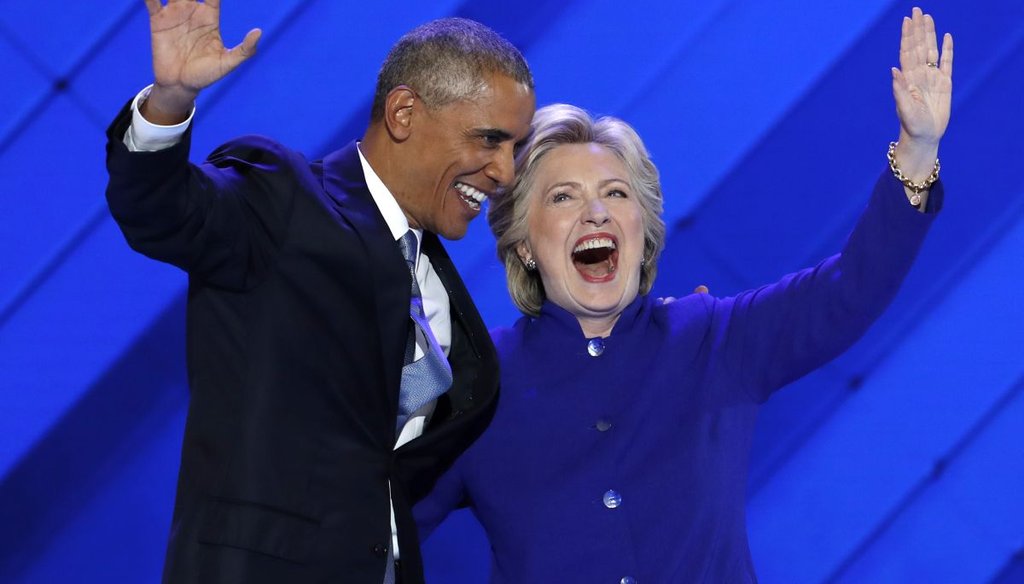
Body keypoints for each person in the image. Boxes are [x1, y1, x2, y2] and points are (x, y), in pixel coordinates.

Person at [414, 7, 951, 583]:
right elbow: (376, 528)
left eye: (615, 194)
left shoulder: (713, 339)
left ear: (642, 232)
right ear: (522, 244)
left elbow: (850, 290)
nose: (596, 210)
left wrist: (917, 149)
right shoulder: (474, 386)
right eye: (564, 197)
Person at [104, 1, 535, 582]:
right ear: (404, 113)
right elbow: (159, 210)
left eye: (514, 148)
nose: (505, 172)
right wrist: (170, 101)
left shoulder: (439, 286)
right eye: (490, 139)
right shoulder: (284, 202)